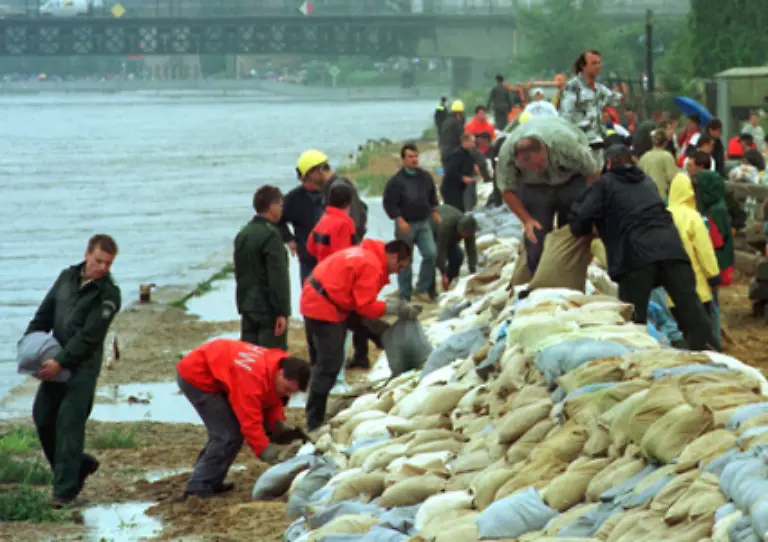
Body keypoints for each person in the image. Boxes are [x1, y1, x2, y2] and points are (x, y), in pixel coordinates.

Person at [569, 145, 717, 351]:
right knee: (691, 310)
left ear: (608, 163)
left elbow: (581, 218)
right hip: (672, 248)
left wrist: (584, 230)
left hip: (635, 255)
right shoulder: (647, 181)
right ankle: (711, 355)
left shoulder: (605, 183)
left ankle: (636, 359)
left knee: (632, 316)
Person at [24, 234, 122, 507]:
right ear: (87, 254)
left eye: (108, 264)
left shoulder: (109, 294)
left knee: (69, 422)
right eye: (98, 261)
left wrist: (62, 362)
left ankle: (63, 492)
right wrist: (30, 348)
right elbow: (44, 315)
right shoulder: (66, 278)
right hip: (54, 358)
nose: (102, 268)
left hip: (82, 367)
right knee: (43, 417)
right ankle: (78, 465)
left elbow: (89, 337)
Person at [300, 239, 417, 430]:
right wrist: (395, 307)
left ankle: (396, 360)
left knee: (376, 330)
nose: (398, 271)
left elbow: (361, 305)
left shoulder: (365, 254)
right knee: (328, 366)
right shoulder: (371, 265)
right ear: (393, 255)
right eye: (400, 266)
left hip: (319, 298)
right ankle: (314, 423)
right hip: (324, 308)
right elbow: (365, 306)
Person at [177, 339, 310, 498]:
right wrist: (267, 451)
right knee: (226, 434)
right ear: (280, 373)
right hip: (197, 376)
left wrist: (277, 424)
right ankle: (198, 486)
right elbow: (249, 423)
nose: (288, 395)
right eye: (287, 389)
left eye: (292, 393)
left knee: (230, 434)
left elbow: (271, 399)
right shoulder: (251, 381)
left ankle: (211, 480)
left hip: (220, 369)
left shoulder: (278, 364)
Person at [496, 115, 598, 275]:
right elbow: (506, 190)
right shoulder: (507, 155)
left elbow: (592, 171)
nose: (536, 170)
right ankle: (538, 278)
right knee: (536, 234)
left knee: (572, 231)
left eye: (538, 165)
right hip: (534, 188)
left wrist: (588, 204)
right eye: (529, 167)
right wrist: (527, 220)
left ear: (544, 149)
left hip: (570, 180)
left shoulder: (566, 144)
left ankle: (571, 275)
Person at [308, 182, 379, 369]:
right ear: (349, 202)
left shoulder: (322, 220)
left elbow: (310, 246)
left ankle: (322, 361)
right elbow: (345, 257)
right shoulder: (345, 223)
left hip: (320, 277)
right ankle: (358, 358)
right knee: (353, 320)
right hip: (338, 283)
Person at [667, 173, 722, 348]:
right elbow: (704, 250)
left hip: (669, 291)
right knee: (701, 335)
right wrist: (713, 275)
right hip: (696, 287)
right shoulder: (693, 217)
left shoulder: (663, 215)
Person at [382, 142, 441, 301]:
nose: (414, 160)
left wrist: (434, 211)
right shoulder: (396, 181)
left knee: (431, 253)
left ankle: (422, 288)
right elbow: (389, 203)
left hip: (423, 222)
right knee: (404, 260)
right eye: (410, 157)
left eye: (416, 156)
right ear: (403, 159)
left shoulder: (425, 177)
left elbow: (432, 197)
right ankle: (405, 295)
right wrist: (399, 219)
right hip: (405, 224)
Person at [234, 185, 290, 350]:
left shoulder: (243, 233)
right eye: (280, 205)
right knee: (271, 358)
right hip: (268, 309)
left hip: (246, 305)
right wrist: (282, 311)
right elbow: (278, 277)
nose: (281, 210)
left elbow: (239, 272)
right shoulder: (271, 235)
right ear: (271, 206)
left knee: (249, 357)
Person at [279, 150, 333, 286]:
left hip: (334, 256)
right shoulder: (293, 199)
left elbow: (358, 212)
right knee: (311, 297)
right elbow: (277, 220)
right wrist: (288, 238)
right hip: (308, 259)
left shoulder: (335, 192)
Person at [559, 49, 622, 164]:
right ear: (583, 66)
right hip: (581, 142)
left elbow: (614, 99)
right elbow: (565, 116)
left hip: (598, 141)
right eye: (594, 63)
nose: (598, 66)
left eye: (599, 63)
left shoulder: (599, 88)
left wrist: (620, 93)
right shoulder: (573, 86)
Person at [431, 204, 477, 290]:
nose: (465, 236)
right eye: (463, 234)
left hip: (450, 239)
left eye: (466, 235)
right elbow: (441, 251)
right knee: (432, 257)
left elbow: (471, 250)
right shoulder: (446, 225)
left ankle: (451, 280)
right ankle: (431, 288)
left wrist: (473, 271)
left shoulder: (469, 228)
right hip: (434, 233)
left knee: (458, 256)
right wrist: (443, 273)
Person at [441, 133, 478, 212]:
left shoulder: (468, 154)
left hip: (461, 189)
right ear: (465, 142)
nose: (474, 145)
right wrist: (462, 178)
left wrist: (474, 167)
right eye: (472, 142)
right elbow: (449, 171)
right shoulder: (456, 155)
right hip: (451, 190)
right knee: (456, 212)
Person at [638, 129, 678, 198]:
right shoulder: (667, 156)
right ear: (666, 142)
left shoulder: (644, 157)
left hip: (646, 196)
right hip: (661, 197)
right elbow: (672, 178)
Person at [439, 100, 466, 164]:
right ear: (460, 112)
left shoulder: (446, 121)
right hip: (453, 152)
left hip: (444, 151)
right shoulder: (456, 122)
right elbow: (462, 137)